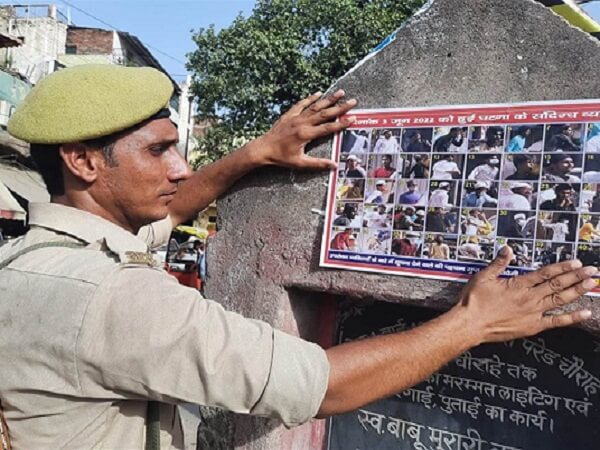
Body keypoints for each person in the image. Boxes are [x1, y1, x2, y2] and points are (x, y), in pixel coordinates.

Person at [0, 65, 596, 450]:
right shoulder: (116, 297)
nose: (180, 168)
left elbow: (172, 213)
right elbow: (323, 387)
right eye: (158, 151)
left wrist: (256, 154)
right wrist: (474, 321)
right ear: (83, 162)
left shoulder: (36, 257)